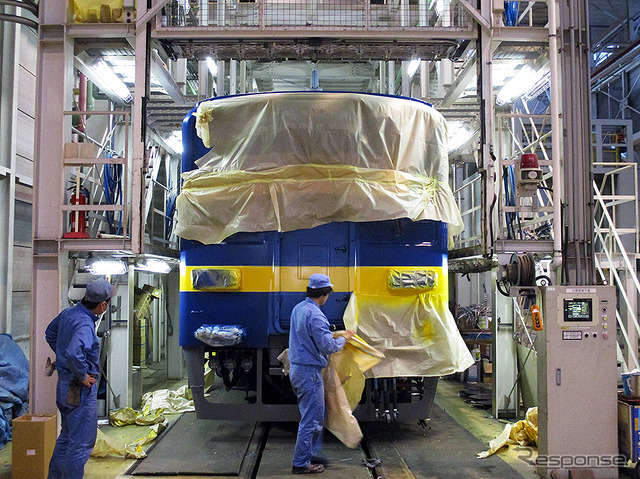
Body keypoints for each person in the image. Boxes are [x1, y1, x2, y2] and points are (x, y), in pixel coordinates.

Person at [45, 278, 116, 479]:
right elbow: (75, 351)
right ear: (103, 305)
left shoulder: (69, 313)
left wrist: (62, 356)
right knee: (81, 443)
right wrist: (82, 374)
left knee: (66, 438)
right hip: (78, 390)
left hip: (64, 385)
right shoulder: (85, 324)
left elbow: (50, 333)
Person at [288, 273, 355, 474]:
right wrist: (346, 338)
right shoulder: (316, 315)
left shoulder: (298, 309)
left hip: (298, 369)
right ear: (324, 294)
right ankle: (300, 463)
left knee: (312, 415)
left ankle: (311, 453)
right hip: (309, 374)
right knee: (311, 420)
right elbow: (328, 347)